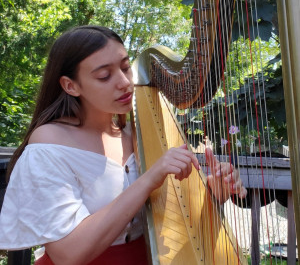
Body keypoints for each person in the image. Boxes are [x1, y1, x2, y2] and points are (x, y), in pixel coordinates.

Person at [0, 25, 247, 265]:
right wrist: (150, 178)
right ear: (70, 85)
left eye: (126, 68)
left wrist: (214, 193)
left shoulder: (138, 135)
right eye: (104, 76)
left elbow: (170, 219)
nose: (124, 82)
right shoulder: (49, 143)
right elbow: (68, 254)